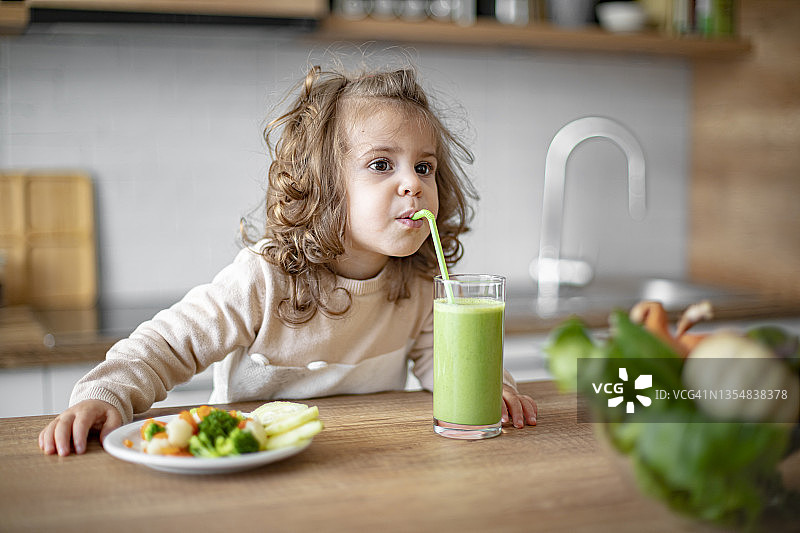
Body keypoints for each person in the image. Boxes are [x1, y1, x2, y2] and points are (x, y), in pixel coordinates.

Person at [39, 62, 537, 456]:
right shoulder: (265, 279)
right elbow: (167, 345)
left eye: (424, 166)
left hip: (362, 460)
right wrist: (104, 396)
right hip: (253, 466)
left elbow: (442, 365)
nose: (414, 182)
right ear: (323, 185)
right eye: (381, 164)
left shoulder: (423, 284)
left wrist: (493, 387)